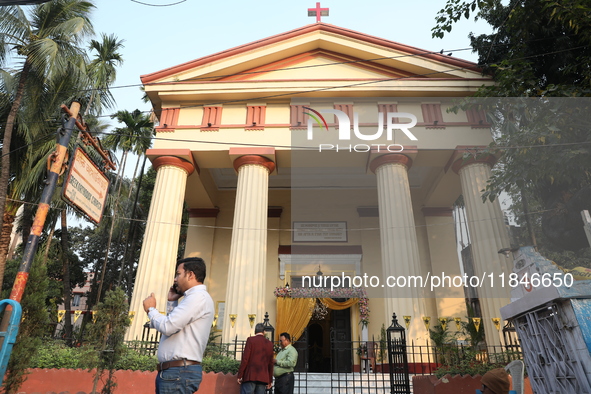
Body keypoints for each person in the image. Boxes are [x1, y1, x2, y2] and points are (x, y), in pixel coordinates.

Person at [143, 257, 214, 394]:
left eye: (178, 273)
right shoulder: (194, 298)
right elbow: (174, 326)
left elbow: (168, 327)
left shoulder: (197, 297)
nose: (175, 279)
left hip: (179, 373)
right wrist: (172, 303)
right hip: (177, 372)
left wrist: (151, 309)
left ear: (190, 275)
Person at [237, 323, 274, 394]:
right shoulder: (269, 343)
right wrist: (270, 380)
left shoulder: (250, 340)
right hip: (263, 376)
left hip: (250, 375)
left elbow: (245, 359)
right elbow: (270, 363)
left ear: (255, 331)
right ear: (264, 332)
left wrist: (240, 375)